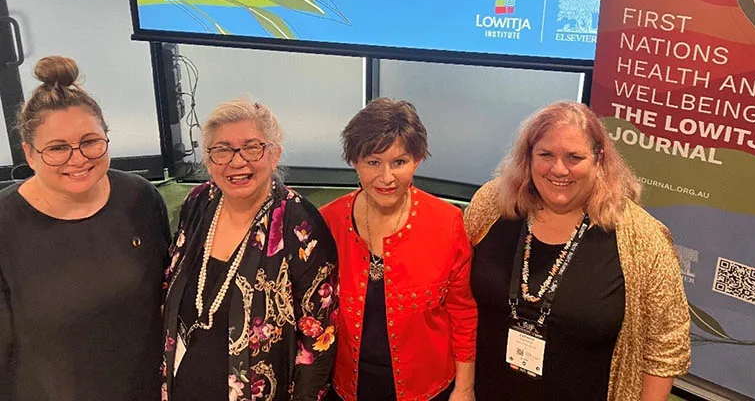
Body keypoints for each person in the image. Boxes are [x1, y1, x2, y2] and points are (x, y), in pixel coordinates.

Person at [464, 101, 690, 401]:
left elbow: (666, 346)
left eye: (574, 157)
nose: (559, 169)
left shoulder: (643, 239)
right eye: (545, 155)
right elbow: (454, 295)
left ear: (599, 159)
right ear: (528, 157)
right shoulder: (492, 204)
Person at [0, 55, 171, 401]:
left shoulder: (140, 198)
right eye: (57, 148)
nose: (77, 158)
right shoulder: (5, 223)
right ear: (29, 154)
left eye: (90, 141)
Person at [160, 97, 338, 401]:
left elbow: (319, 340)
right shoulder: (198, 203)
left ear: (275, 154)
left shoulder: (301, 225)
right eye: (222, 150)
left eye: (252, 147)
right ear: (208, 159)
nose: (237, 161)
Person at [321, 98, 478, 401]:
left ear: (417, 159)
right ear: (354, 161)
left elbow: (462, 311)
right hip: (347, 386)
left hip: (428, 387)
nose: (386, 178)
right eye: (373, 163)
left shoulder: (447, 222)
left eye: (399, 162)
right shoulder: (329, 221)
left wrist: (465, 387)